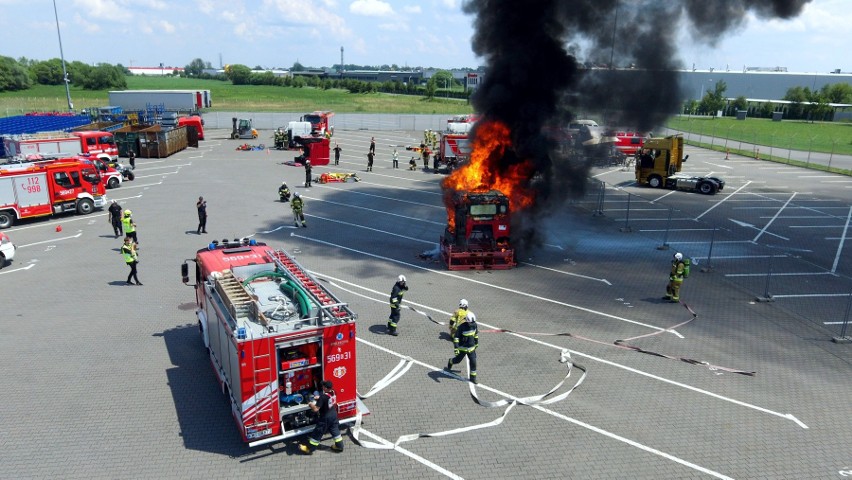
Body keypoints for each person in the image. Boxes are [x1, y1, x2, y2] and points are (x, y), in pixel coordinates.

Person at [298, 380, 344, 454]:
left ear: (325, 388)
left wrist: (310, 404)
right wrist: (319, 398)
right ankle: (339, 446)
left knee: (317, 432)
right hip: (333, 414)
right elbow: (328, 398)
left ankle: (309, 449)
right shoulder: (333, 391)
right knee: (335, 430)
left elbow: (316, 409)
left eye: (323, 386)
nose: (322, 387)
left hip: (326, 418)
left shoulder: (323, 397)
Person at [445, 311, 479, 383]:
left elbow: (475, 334)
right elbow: (456, 338)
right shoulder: (461, 327)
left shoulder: (474, 325)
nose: (472, 324)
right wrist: (456, 348)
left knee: (473, 362)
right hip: (462, 348)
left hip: (471, 348)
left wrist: (476, 343)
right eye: (470, 323)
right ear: (466, 321)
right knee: (457, 360)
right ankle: (450, 361)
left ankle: (473, 378)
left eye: (473, 323)